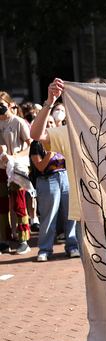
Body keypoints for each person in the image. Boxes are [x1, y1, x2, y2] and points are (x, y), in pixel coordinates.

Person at [30, 77, 106, 263]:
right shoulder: (70, 132)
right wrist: (49, 102)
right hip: (86, 217)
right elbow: (36, 134)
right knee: (95, 280)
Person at [30, 120, 78, 261]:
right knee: (49, 217)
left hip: (66, 177)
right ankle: (44, 250)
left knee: (71, 215)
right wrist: (50, 153)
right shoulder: (36, 144)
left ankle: (73, 246)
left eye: (51, 122)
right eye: (46, 123)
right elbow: (39, 167)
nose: (49, 125)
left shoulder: (63, 138)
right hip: (47, 180)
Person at [0, 92, 32, 254]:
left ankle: (24, 239)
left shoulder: (18, 122)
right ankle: (4, 240)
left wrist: (14, 156)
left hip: (16, 167)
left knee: (19, 203)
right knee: (2, 205)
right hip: (0, 169)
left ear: (9, 104)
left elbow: (30, 145)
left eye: (1, 104)